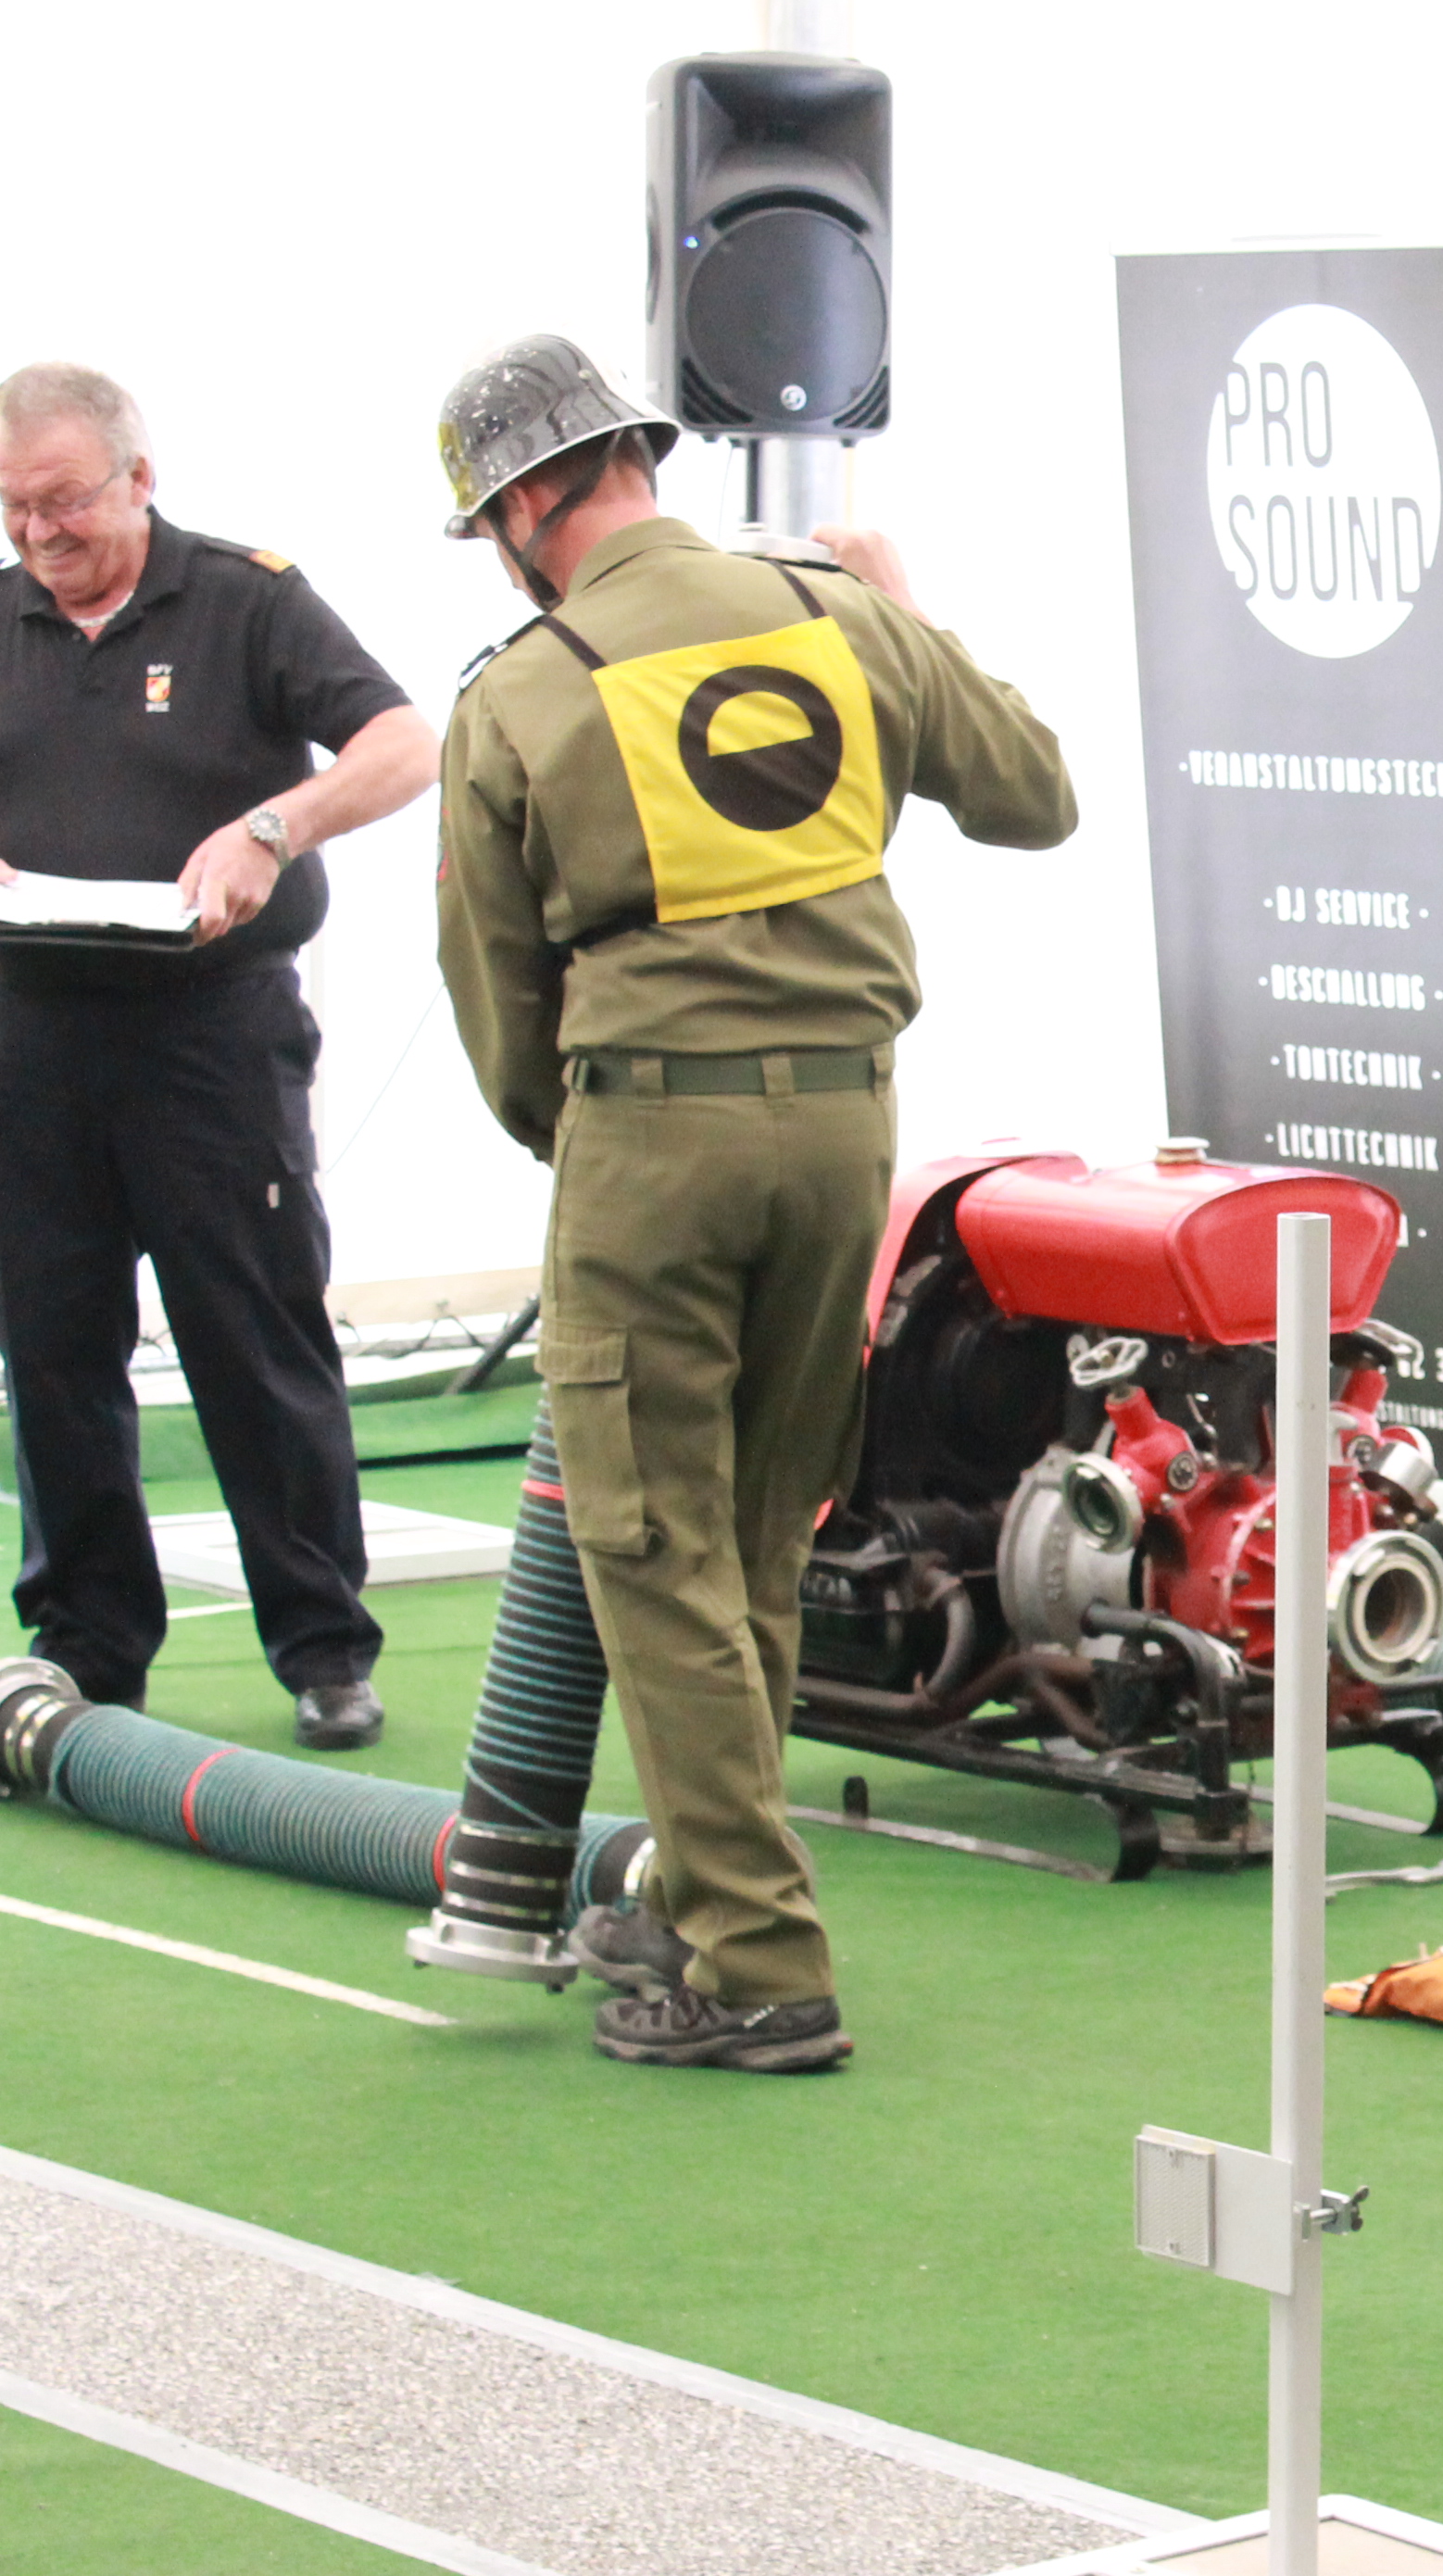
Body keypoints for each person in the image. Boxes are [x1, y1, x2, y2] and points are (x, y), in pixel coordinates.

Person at [426, 335, 1077, 2071]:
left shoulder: (520, 692)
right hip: (851, 1129)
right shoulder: (836, 613)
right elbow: (1036, 795)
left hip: (652, 1136)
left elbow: (501, 1011)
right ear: (636, 459)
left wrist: (596, 1142)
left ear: (524, 506)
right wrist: (907, 615)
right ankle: (715, 1896)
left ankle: (759, 1962)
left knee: (651, 1546)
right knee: (761, 1527)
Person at [0, 361, 436, 1750]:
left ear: (140, 477)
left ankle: (323, 1646)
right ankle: (87, 1648)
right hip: (30, 1042)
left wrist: (273, 829)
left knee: (255, 1338)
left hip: (213, 1039)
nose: (40, 533)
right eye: (13, 508)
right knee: (52, 1352)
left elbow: (404, 742)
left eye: (64, 501)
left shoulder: (249, 601)